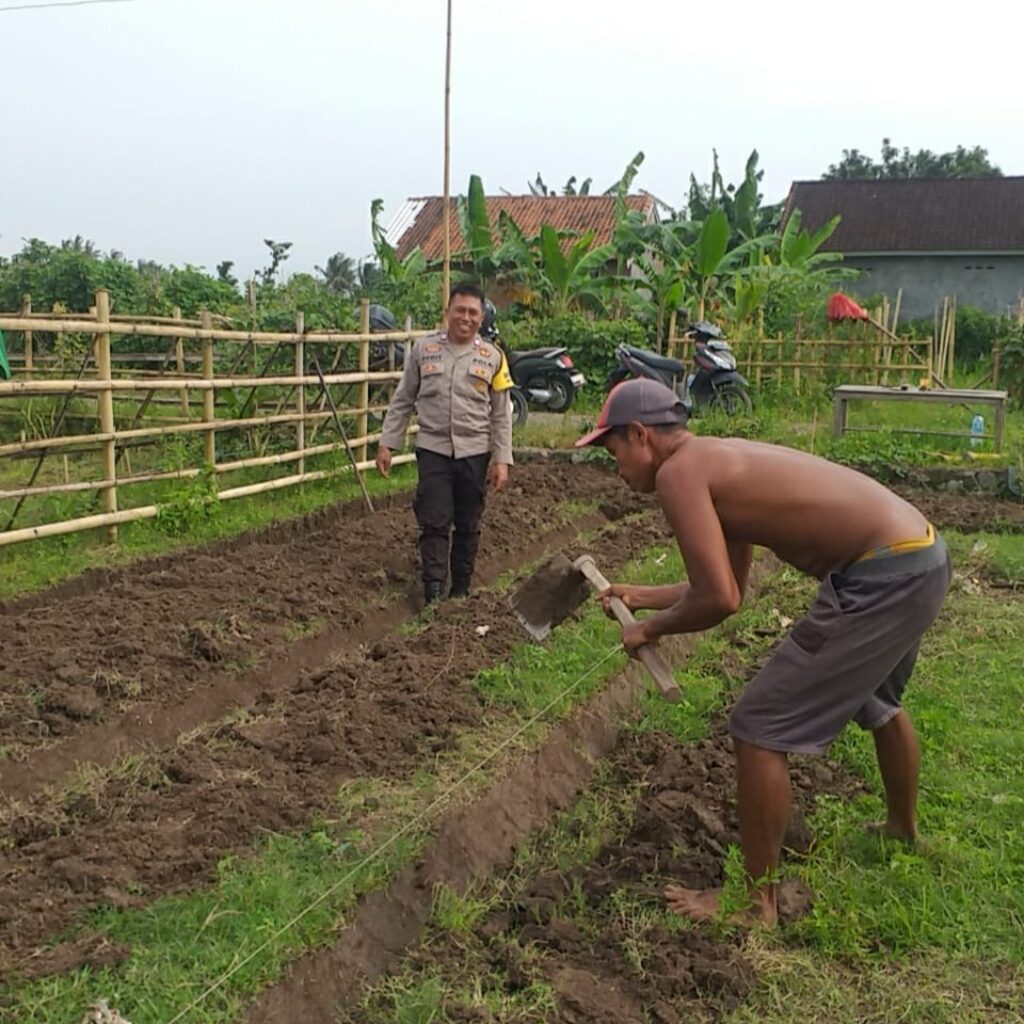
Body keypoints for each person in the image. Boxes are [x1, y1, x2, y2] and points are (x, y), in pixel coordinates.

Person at [575, 378, 951, 927]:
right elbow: (729, 587)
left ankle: (757, 905)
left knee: (756, 725)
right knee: (877, 698)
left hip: (880, 577)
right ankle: (901, 828)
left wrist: (648, 629)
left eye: (614, 452)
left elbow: (720, 599)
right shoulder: (710, 459)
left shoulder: (679, 475)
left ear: (640, 435)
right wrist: (641, 596)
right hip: (918, 555)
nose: (618, 467)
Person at [376, 283, 514, 604]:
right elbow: (403, 400)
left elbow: (501, 414)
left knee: (468, 524)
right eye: (459, 310)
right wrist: (388, 443)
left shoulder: (493, 358)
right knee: (434, 521)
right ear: (448, 312)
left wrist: (502, 459)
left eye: (472, 313)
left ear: (481, 318)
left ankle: (461, 590)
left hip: (474, 452)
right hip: (433, 450)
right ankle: (434, 591)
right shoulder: (423, 351)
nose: (465, 318)